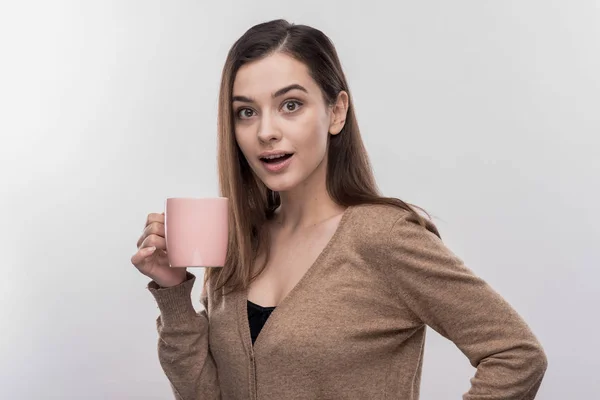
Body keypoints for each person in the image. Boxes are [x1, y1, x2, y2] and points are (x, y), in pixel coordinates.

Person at [130, 19, 547, 400]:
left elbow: (516, 354)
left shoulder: (381, 236)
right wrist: (173, 294)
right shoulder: (238, 241)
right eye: (246, 112)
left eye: (290, 105)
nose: (266, 131)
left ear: (336, 111)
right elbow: (205, 394)